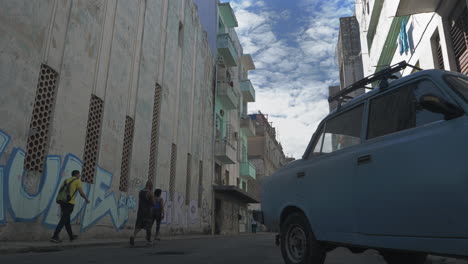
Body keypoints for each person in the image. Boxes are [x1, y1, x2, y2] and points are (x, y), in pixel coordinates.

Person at [50, 170, 90, 243]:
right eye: (79, 174)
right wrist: (87, 199)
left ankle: (71, 236)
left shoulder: (66, 180)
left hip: (63, 202)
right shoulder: (77, 181)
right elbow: (81, 193)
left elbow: (61, 191)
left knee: (67, 220)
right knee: (63, 220)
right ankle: (55, 236)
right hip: (69, 203)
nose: (79, 176)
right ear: (76, 174)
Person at [130, 181, 154, 246]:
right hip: (147, 212)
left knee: (138, 226)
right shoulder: (150, 193)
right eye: (152, 186)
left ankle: (133, 236)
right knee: (148, 227)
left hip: (140, 211)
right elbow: (152, 203)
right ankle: (148, 240)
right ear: (150, 186)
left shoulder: (140, 192)